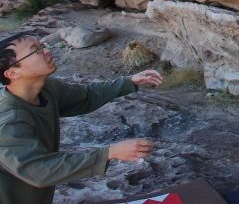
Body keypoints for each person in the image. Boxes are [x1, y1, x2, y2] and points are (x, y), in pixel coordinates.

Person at [0, 33, 163, 204]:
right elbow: (39, 171)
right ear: (12, 73)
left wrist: (129, 81)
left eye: (42, 46)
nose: (47, 51)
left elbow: (86, 96)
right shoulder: (8, 121)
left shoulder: (46, 89)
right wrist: (109, 153)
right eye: (36, 51)